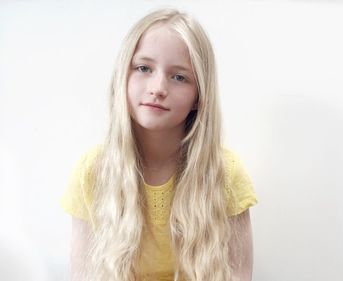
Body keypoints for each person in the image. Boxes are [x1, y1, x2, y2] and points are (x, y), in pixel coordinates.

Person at [60, 8, 257, 281]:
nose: (158, 87)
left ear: (199, 96)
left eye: (179, 77)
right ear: (123, 77)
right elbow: (83, 275)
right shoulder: (92, 171)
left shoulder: (225, 172)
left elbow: (239, 275)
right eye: (143, 68)